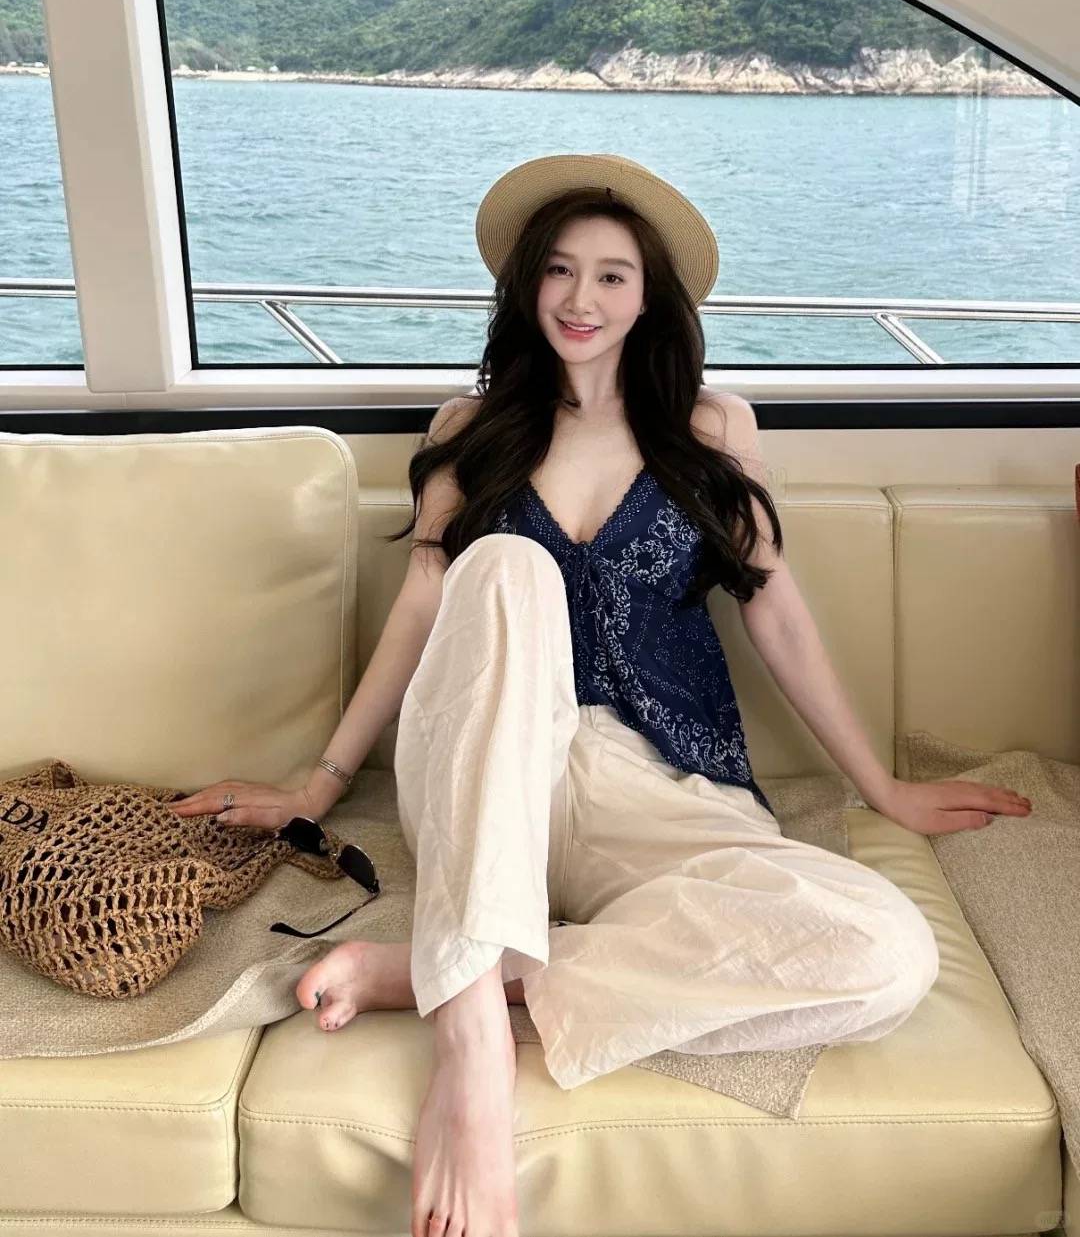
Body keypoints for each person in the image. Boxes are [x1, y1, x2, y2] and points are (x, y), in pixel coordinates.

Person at [171, 152, 1032, 1237]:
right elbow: (422, 611)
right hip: (492, 778)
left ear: (648, 295)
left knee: (887, 955)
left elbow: (775, 608)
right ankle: (473, 1042)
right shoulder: (467, 428)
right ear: (527, 284)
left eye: (613, 275)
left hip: (662, 789)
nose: (582, 298)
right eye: (560, 270)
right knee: (506, 565)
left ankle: (460, 971)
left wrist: (884, 786)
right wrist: (319, 782)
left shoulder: (713, 428)